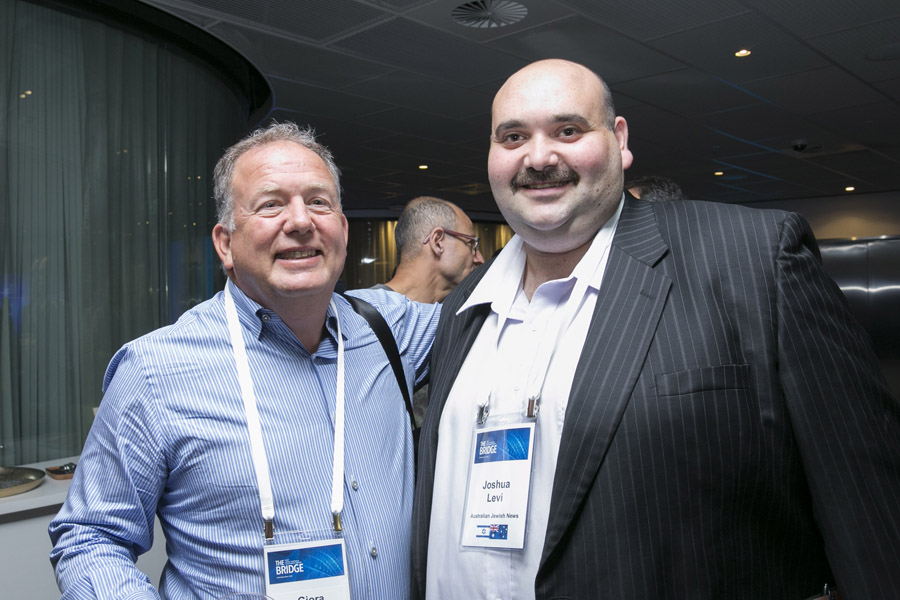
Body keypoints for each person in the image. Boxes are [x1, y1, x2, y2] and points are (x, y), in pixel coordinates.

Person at [411, 58, 900, 600]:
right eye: (513, 137)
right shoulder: (464, 308)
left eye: (568, 130)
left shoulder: (754, 260)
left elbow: (867, 509)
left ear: (619, 140)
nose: (539, 157)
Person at [49, 122, 440, 599]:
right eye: (271, 204)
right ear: (225, 244)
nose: (301, 221)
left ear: (342, 229)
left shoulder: (391, 330)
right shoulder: (155, 372)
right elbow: (91, 537)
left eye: (319, 202)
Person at [375, 196, 485, 303]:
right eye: (471, 243)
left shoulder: (454, 312)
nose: (480, 259)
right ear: (438, 242)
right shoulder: (367, 311)